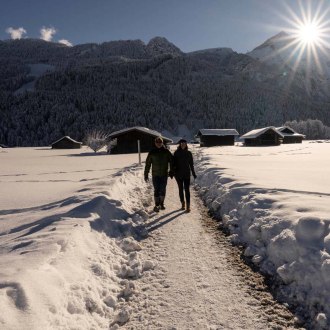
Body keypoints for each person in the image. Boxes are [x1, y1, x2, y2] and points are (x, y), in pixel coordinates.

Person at [144, 136, 173, 212]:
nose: (159, 143)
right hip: (155, 174)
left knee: (163, 189)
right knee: (156, 189)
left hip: (164, 174)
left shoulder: (166, 151)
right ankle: (157, 204)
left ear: (162, 143)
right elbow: (148, 164)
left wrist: (171, 171)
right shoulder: (152, 152)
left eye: (160, 142)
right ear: (155, 143)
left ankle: (162, 203)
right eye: (157, 142)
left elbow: (172, 161)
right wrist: (146, 174)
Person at [173, 139, 196, 212]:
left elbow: (191, 164)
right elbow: (173, 164)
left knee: (187, 190)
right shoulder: (176, 153)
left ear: (186, 144)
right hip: (178, 174)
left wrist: (193, 173)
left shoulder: (189, 153)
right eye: (181, 143)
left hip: (186, 174)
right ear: (180, 144)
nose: (183, 144)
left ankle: (188, 206)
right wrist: (172, 171)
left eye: (184, 143)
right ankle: (183, 203)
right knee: (180, 189)